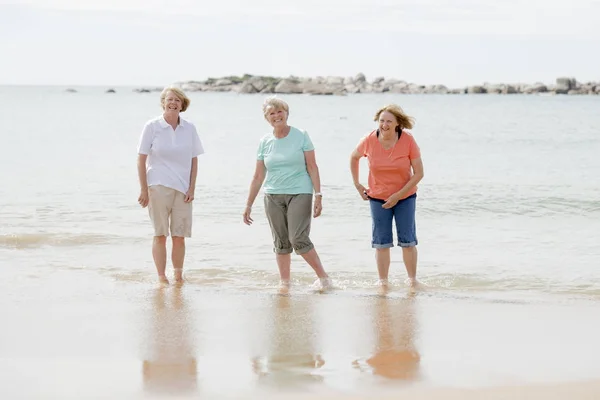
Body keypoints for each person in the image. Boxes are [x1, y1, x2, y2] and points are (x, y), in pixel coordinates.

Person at [243, 96, 330, 291]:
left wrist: (319, 195)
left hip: (300, 192)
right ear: (267, 118)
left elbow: (312, 166)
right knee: (280, 241)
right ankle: (285, 283)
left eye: (279, 111)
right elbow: (258, 176)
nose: (276, 116)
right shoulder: (265, 141)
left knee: (298, 238)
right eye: (271, 113)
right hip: (272, 195)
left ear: (286, 113)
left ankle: (324, 278)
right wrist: (248, 204)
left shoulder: (301, 135)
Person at [350, 104, 424, 287]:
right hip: (378, 197)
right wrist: (357, 185)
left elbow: (419, 173)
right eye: (381, 120)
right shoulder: (369, 140)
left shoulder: (408, 140)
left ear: (398, 123)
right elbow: (354, 157)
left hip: (405, 197)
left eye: (389, 121)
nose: (384, 124)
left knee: (408, 241)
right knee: (381, 242)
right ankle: (383, 282)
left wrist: (398, 195)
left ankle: (412, 281)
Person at [137, 86, 204, 285]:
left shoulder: (189, 128)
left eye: (177, 100)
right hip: (158, 185)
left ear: (182, 105)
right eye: (170, 99)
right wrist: (143, 189)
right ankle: (161, 277)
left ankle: (178, 275)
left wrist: (192, 187)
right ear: (163, 103)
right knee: (160, 234)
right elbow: (141, 159)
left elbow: (194, 160)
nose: (173, 103)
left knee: (179, 235)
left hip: (183, 189)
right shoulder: (152, 126)